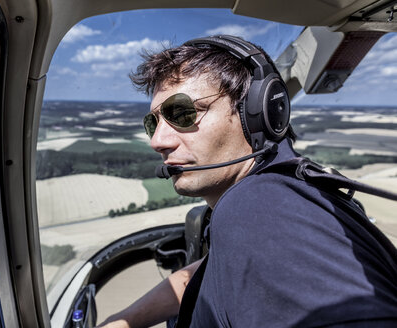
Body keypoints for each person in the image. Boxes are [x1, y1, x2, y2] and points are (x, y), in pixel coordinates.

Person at [98, 36, 397, 327]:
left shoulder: (256, 206)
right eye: (153, 123)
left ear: (256, 113)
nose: (158, 141)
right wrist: (124, 320)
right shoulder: (275, 200)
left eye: (182, 112)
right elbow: (217, 268)